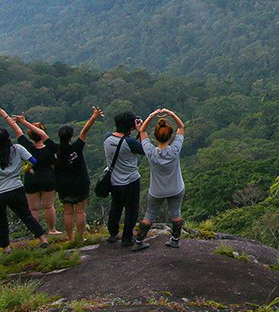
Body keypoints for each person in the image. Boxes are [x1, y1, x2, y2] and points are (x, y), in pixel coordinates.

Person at [0, 107, 50, 251]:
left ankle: (6, 248)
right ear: (8, 138)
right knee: (26, 216)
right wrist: (23, 168)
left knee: (0, 221)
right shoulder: (18, 149)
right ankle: (43, 239)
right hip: (15, 188)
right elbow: (33, 160)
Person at [132, 108, 186, 250]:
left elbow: (142, 132)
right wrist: (171, 114)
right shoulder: (175, 150)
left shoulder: (150, 152)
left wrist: (151, 116)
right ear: (170, 136)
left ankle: (138, 242)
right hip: (176, 188)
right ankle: (175, 240)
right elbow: (181, 127)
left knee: (150, 215)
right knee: (176, 213)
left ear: (155, 137)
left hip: (157, 191)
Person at [55, 106, 104, 242]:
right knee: (80, 211)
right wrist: (94, 116)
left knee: (68, 212)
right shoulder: (77, 147)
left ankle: (70, 237)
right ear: (72, 136)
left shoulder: (56, 150)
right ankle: (80, 237)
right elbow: (85, 130)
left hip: (64, 185)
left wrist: (23, 122)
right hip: (80, 183)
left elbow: (42, 135)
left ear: (58, 136)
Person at [13, 115, 62, 235]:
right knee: (49, 206)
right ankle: (52, 229)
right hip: (48, 178)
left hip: (31, 179)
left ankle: (36, 232)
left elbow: (18, 131)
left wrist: (7, 117)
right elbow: (54, 165)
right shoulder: (50, 148)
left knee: (33, 208)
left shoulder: (27, 147)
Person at [105, 111, 146, 247]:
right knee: (131, 210)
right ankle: (127, 238)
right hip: (131, 181)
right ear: (131, 126)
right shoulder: (129, 142)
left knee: (115, 207)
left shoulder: (107, 138)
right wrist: (141, 131)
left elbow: (128, 143)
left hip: (114, 181)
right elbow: (144, 149)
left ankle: (113, 234)